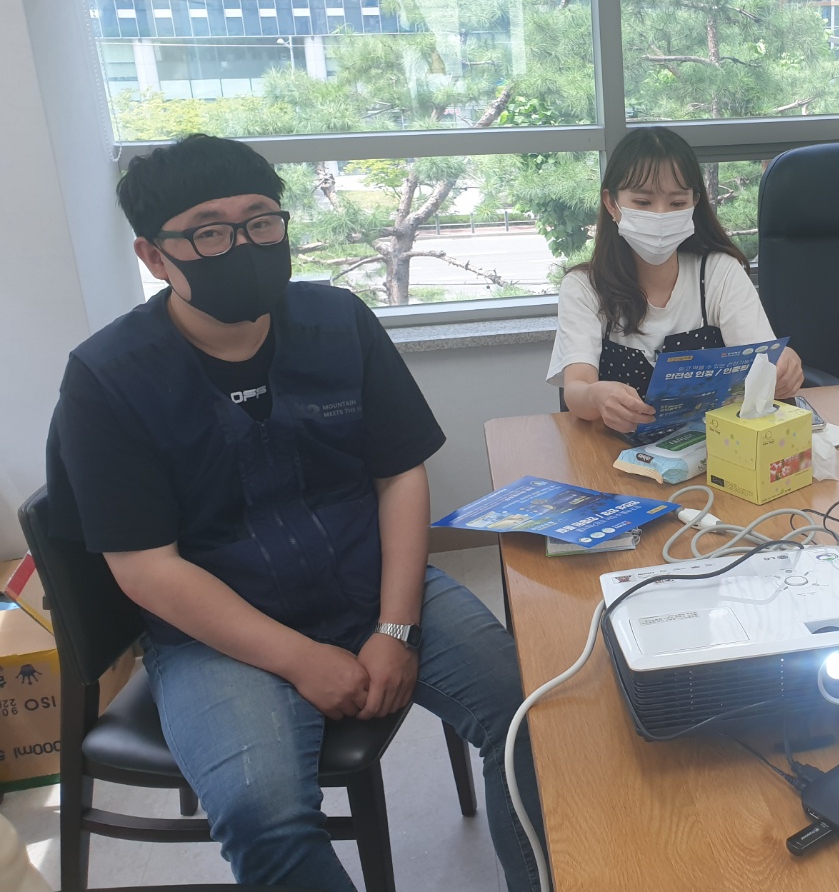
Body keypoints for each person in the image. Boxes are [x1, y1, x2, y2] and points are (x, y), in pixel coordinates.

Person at [46, 135, 543, 892]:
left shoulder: (337, 321)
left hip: (369, 584)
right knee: (263, 817)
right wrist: (301, 659)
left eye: (260, 221)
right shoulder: (108, 379)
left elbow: (399, 475)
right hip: (220, 634)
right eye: (209, 233)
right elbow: (146, 569)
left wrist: (396, 628)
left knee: (534, 717)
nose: (243, 245)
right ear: (154, 256)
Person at [548, 126, 803, 432]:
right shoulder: (584, 287)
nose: (660, 215)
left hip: (713, 445)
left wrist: (783, 366)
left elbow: (763, 359)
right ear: (611, 203)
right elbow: (576, 389)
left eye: (677, 203)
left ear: (694, 203)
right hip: (611, 447)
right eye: (643, 203)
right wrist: (595, 396)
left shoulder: (719, 271)